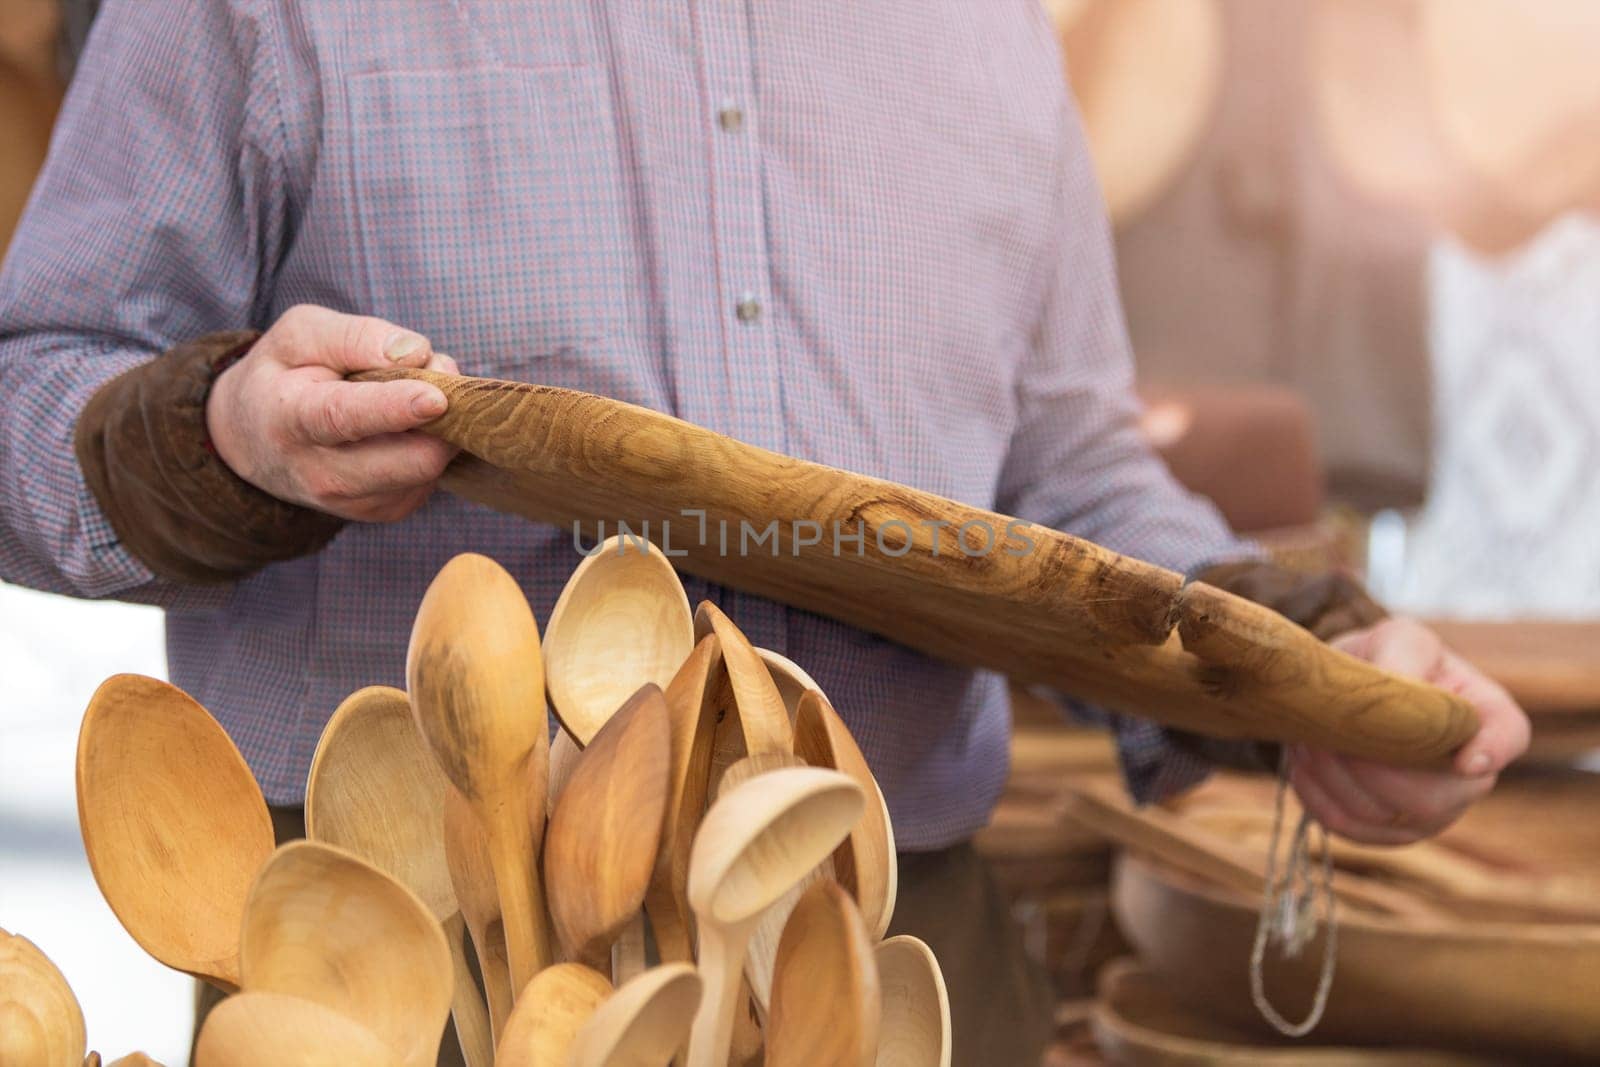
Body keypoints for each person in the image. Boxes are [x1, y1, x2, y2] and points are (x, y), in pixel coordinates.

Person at [0, 2, 1528, 1064]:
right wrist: (219, 438)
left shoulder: (986, 23)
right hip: (401, 977)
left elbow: (1070, 483)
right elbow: (29, 395)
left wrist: (1312, 672)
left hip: (907, 967)